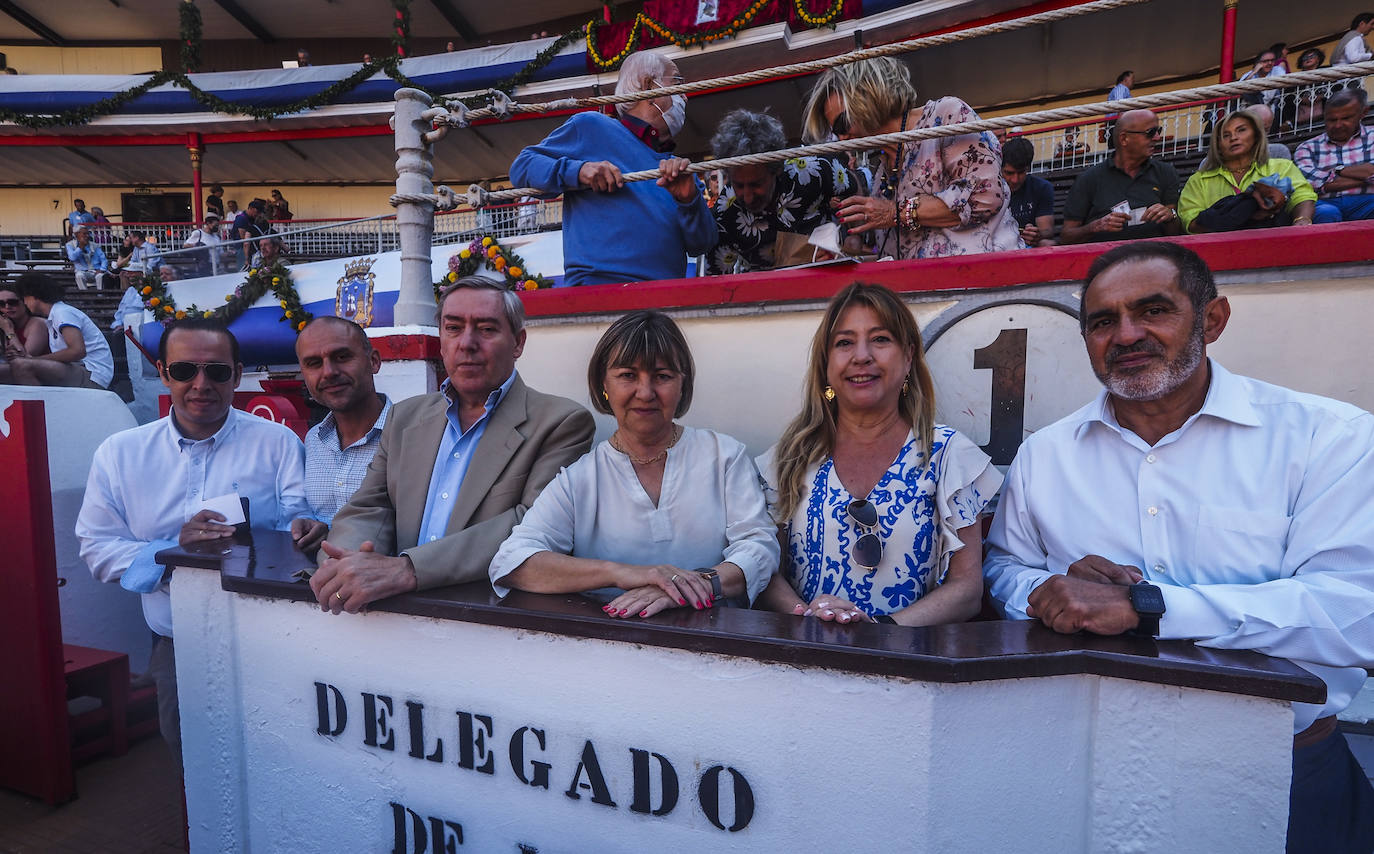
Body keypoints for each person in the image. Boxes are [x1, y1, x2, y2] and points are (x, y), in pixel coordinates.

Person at [982, 241, 1374, 854]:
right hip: (1085, 768)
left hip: (1284, 772)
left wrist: (1147, 606)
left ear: (1213, 320)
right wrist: (1052, 592)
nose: (1127, 335)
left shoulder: (1328, 437)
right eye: (1103, 321)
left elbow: (1355, 616)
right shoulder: (1046, 454)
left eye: (1153, 310)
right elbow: (1005, 569)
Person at [77, 319, 325, 763]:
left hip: (268, 635)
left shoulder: (278, 443)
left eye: (217, 372)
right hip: (177, 639)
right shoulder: (119, 453)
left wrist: (304, 528)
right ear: (162, 370)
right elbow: (96, 548)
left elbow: (299, 526)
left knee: (283, 756)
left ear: (238, 373)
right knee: (189, 753)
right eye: (185, 369)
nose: (201, 384)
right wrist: (173, 551)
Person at [310, 276, 595, 612]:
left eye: (487, 329)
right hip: (392, 619)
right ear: (442, 341)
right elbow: (369, 506)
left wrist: (410, 569)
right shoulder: (405, 417)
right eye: (454, 328)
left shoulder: (561, 422)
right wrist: (347, 562)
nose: (467, 343)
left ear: (518, 343)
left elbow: (530, 528)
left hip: (485, 623)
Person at [490, 310, 778, 615]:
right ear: (604, 384)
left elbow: (759, 549)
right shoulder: (581, 480)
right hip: (614, 649)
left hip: (718, 644)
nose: (645, 392)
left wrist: (692, 586)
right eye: (628, 375)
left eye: (662, 377)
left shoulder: (724, 457)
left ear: (683, 385)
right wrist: (626, 574)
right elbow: (512, 561)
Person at [754, 282, 999, 625]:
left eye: (881, 339)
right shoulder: (789, 457)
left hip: (909, 663)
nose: (862, 356)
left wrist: (882, 632)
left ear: (909, 356)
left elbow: (966, 589)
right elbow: (765, 571)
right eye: (844, 343)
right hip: (806, 659)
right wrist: (810, 617)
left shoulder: (949, 456)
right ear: (826, 364)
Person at [509, 51, 715, 286]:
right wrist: (579, 171)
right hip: (598, 293)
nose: (685, 97)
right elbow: (522, 168)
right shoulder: (591, 126)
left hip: (663, 301)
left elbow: (703, 244)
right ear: (649, 85)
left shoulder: (680, 170)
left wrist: (689, 201)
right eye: (677, 82)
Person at [801, 57, 1020, 258]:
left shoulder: (946, 116)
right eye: (835, 132)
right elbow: (895, 253)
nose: (841, 139)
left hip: (987, 281)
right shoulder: (883, 173)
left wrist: (894, 213)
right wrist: (842, 258)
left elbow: (983, 197)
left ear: (868, 99)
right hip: (929, 291)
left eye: (842, 125)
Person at [706, 108, 849, 275]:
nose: (748, 196)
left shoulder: (813, 171)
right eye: (739, 185)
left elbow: (855, 186)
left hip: (825, 277)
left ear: (778, 169)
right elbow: (718, 282)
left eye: (755, 184)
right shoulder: (724, 213)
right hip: (764, 294)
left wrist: (846, 238)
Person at [295, 317, 390, 525]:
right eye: (314, 364)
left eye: (342, 357)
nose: (328, 372)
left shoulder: (408, 436)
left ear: (374, 361)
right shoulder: (314, 441)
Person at [1178, 109, 1316, 232]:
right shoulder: (1199, 180)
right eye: (1226, 135)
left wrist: (1302, 221)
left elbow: (1302, 196)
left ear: (1256, 136)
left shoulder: (1282, 166)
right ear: (1217, 145)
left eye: (1241, 130)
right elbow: (1190, 222)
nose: (1233, 138)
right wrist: (1241, 219)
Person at [1060, 109, 1182, 243]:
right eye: (1150, 133)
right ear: (1124, 139)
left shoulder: (1166, 172)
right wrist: (1095, 227)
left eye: (1159, 131)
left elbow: (1176, 233)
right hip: (1106, 259)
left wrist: (1171, 216)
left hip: (1155, 256)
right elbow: (1066, 237)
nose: (1157, 137)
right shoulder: (1089, 179)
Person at [0, 273, 112, 389]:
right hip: (75, 369)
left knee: (22, 365)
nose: (25, 303)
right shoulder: (54, 316)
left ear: (34, 296)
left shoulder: (62, 312)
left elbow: (77, 351)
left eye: (24, 298)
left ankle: (43, 405)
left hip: (92, 373)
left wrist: (34, 359)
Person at [1294, 88, 1374, 223]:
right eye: (1331, 120)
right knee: (1325, 212)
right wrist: (1366, 178)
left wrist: (1337, 171)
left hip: (1368, 200)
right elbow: (1311, 184)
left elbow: (1322, 182)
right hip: (1325, 203)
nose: (1337, 125)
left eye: (1346, 118)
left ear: (1363, 113)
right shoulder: (1307, 147)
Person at [1002, 136, 1056, 246]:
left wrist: (1037, 234)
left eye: (1021, 172)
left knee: (1047, 244)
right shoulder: (991, 189)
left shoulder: (1041, 188)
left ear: (1028, 168)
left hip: (1028, 245)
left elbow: (1047, 230)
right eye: (1009, 173)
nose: (1015, 179)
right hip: (998, 244)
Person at [0, 284, 49, 360]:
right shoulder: (6, 324)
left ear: (25, 302)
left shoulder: (38, 323)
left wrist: (8, 330)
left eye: (12, 302)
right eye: (1, 304)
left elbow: (25, 359)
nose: (7, 307)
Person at [66, 225, 110, 291]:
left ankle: (101, 296)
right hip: (82, 271)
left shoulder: (94, 245)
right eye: (84, 234)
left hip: (96, 270)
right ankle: (85, 296)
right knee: (79, 275)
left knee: (100, 276)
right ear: (76, 234)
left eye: (88, 233)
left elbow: (104, 260)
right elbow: (72, 258)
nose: (87, 236)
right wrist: (80, 247)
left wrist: (102, 269)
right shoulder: (70, 245)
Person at [182, 213, 224, 278]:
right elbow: (185, 245)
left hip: (216, 266)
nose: (217, 227)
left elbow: (221, 253)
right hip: (204, 266)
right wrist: (199, 246)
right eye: (215, 225)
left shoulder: (216, 237)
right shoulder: (198, 233)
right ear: (208, 223)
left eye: (217, 226)